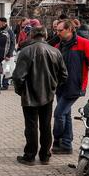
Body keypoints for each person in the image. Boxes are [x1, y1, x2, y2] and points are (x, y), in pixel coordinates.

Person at [12, 26, 68, 165]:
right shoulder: (55, 51)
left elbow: (18, 77)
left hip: (30, 94)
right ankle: (45, 155)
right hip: (47, 94)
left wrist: (21, 91)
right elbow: (64, 75)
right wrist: (53, 86)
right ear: (46, 35)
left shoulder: (26, 51)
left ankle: (30, 155)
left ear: (31, 35)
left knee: (31, 126)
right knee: (45, 125)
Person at [53, 19, 89, 154]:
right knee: (65, 114)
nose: (57, 33)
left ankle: (57, 141)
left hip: (74, 86)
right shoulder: (58, 46)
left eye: (61, 30)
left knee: (59, 114)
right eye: (57, 30)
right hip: (59, 86)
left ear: (70, 30)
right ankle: (66, 145)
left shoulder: (83, 44)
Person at [0, 17, 15, 90]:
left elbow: (13, 43)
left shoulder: (9, 31)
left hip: (6, 55)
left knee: (6, 70)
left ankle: (5, 85)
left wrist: (9, 54)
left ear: (4, 23)